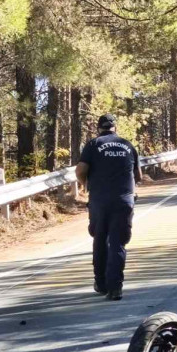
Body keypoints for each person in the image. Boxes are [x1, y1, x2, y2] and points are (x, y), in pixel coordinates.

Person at [75, 114, 142, 301]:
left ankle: (101, 282)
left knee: (100, 239)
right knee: (118, 243)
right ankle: (116, 288)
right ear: (115, 127)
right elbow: (138, 175)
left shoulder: (93, 144)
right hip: (124, 200)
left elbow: (80, 170)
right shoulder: (127, 145)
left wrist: (86, 183)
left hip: (100, 200)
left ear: (99, 128)